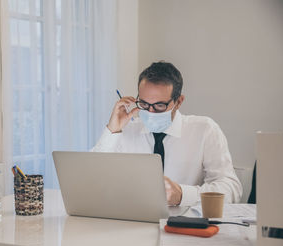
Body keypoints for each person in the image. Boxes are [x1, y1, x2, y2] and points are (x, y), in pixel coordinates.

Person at [92, 61, 242, 206]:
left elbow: (231, 189)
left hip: (183, 225)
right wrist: (112, 130)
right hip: (132, 221)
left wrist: (183, 195)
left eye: (159, 105)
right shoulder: (126, 130)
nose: (150, 112)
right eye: (143, 104)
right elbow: (93, 177)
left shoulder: (204, 130)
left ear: (178, 102)